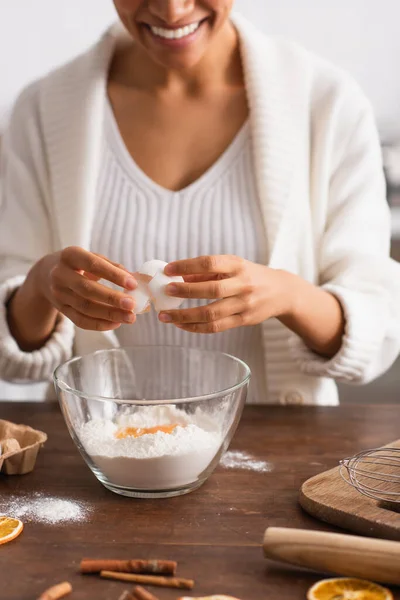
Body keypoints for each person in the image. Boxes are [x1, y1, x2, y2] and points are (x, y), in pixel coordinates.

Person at [0, 0, 399, 405]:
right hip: (101, 457)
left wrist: (288, 296)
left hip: (283, 455)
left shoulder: (328, 103)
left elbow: (379, 331)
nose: (172, 11)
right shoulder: (41, 110)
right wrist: (39, 286)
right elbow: (12, 360)